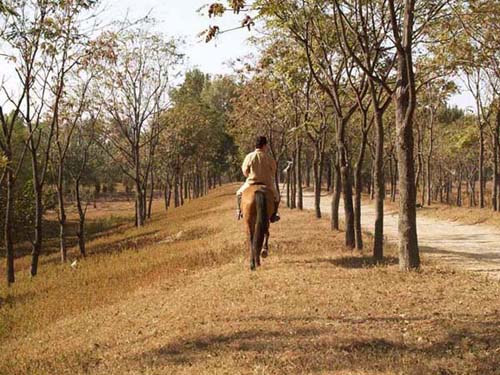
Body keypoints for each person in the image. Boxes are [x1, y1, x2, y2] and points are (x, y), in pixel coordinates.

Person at [236, 136, 280, 222]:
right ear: (264, 145)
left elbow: (245, 170)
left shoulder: (249, 156)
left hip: (251, 182)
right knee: (276, 197)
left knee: (238, 194)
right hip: (267, 184)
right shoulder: (269, 157)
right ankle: (274, 214)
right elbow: (274, 170)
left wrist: (249, 174)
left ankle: (239, 211)